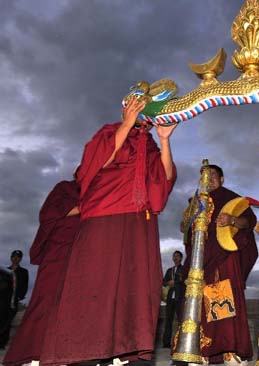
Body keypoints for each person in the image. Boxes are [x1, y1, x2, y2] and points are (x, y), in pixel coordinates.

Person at [39, 97, 177, 366]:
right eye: (137, 107)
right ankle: (83, 352)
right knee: (93, 282)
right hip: (105, 216)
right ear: (126, 108)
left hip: (140, 223)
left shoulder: (148, 144)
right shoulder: (107, 133)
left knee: (135, 287)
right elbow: (96, 165)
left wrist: (164, 140)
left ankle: (128, 349)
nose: (142, 114)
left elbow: (165, 178)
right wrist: (126, 125)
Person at [181, 164, 258, 365]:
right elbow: (185, 231)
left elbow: (250, 221)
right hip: (200, 260)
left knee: (221, 300)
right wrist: (187, 222)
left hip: (223, 257)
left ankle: (228, 350)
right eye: (204, 176)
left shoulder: (233, 198)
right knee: (198, 303)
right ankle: (201, 351)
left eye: (213, 175)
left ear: (222, 179)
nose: (209, 179)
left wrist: (233, 220)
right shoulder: (196, 202)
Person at [3, 179, 80, 366]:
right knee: (46, 299)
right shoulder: (65, 188)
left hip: (81, 253)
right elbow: (49, 214)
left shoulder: (100, 188)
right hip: (58, 252)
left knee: (74, 304)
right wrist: (88, 205)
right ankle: (33, 351)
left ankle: (65, 351)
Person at [0, 251, 29, 350]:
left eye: (18, 257)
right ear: (11, 258)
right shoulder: (5, 270)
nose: (15, 259)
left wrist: (19, 297)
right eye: (14, 257)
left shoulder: (24, 272)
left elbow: (25, 286)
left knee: (8, 322)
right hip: (2, 300)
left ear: (20, 259)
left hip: (14, 301)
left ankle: (2, 343)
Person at [162, 250, 185, 348]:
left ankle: (182, 343)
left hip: (180, 299)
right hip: (170, 299)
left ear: (181, 258)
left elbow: (185, 281)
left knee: (181, 321)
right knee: (168, 321)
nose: (175, 258)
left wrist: (175, 283)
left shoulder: (184, 269)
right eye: (174, 256)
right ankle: (166, 343)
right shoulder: (169, 270)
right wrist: (168, 283)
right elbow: (163, 282)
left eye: (177, 256)